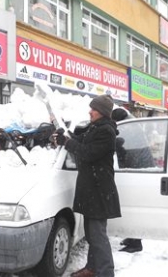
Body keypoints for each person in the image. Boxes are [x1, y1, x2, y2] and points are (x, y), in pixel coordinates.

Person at [55, 94, 121, 277]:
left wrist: (68, 143)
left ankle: (106, 273)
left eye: (93, 109)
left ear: (102, 112)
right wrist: (65, 135)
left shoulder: (106, 131)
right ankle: (92, 269)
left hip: (99, 191)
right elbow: (80, 139)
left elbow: (87, 152)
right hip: (92, 189)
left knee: (98, 237)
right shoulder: (96, 128)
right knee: (92, 235)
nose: (90, 111)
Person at [111, 108, 143, 254]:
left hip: (137, 169)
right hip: (134, 167)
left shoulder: (130, 129)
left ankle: (136, 243)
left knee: (134, 207)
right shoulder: (132, 126)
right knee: (131, 207)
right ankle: (132, 238)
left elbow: (124, 146)